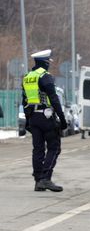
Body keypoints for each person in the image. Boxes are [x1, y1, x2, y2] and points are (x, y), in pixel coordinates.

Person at [22, 49, 68, 192]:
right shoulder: (45, 76)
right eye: (48, 62)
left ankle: (38, 181)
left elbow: (24, 100)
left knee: (38, 149)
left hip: (33, 117)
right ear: (45, 62)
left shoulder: (27, 77)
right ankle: (45, 178)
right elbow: (54, 99)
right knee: (54, 147)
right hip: (46, 116)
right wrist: (62, 118)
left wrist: (28, 119)